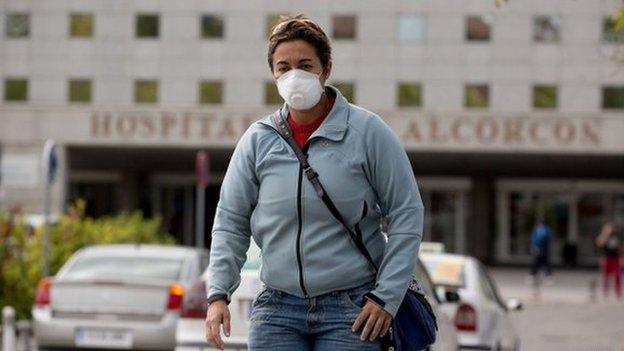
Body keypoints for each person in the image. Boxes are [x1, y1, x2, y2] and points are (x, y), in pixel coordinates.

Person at [204, 14, 424, 351]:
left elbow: (406, 213)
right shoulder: (258, 140)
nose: (294, 75)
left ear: (326, 69)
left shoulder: (367, 132)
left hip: (353, 309)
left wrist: (386, 297)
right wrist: (218, 295)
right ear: (273, 74)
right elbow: (230, 221)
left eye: (305, 65)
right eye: (283, 67)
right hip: (277, 307)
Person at [595, 221, 621, 299]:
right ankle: (605, 292)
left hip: (615, 259)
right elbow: (599, 243)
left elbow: (619, 248)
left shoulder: (616, 237)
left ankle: (618, 292)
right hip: (606, 258)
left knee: (617, 275)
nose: (611, 229)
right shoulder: (604, 236)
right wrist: (605, 234)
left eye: (611, 228)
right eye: (609, 228)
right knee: (606, 277)